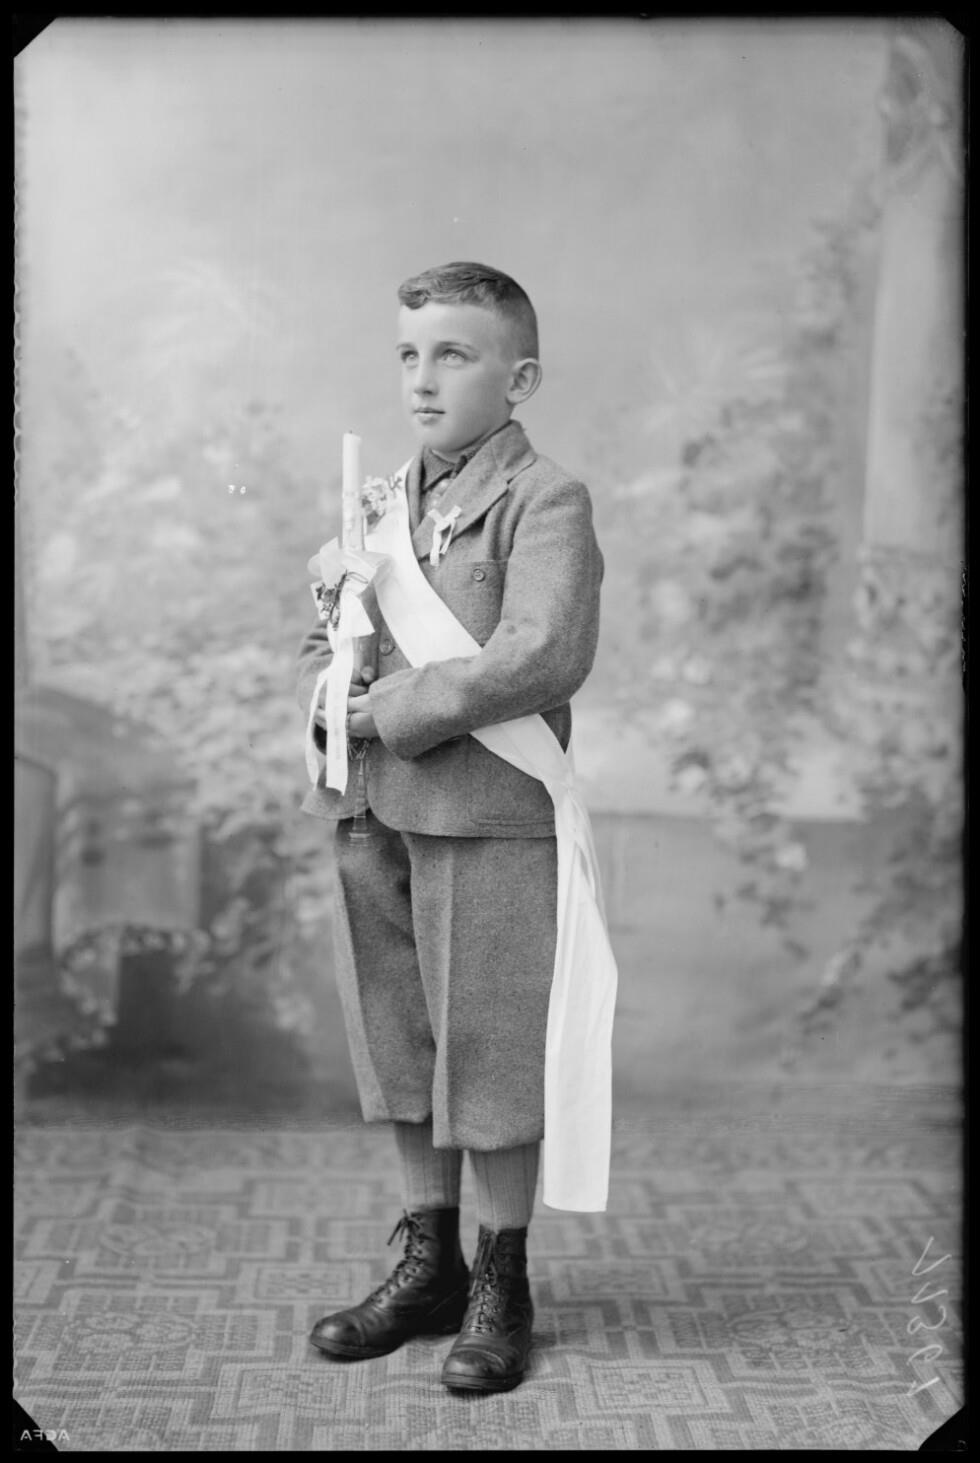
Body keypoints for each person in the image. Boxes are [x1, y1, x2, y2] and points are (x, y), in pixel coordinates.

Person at [296, 261, 604, 1394]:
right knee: (401, 1043)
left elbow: (542, 652)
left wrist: (390, 708)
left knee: (490, 1053)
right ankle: (428, 1264)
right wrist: (330, 692)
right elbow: (325, 637)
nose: (421, 379)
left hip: (485, 816)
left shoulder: (544, 499)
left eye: (453, 355)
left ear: (517, 379)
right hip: (373, 806)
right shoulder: (377, 504)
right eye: (408, 355)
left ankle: (499, 1280)